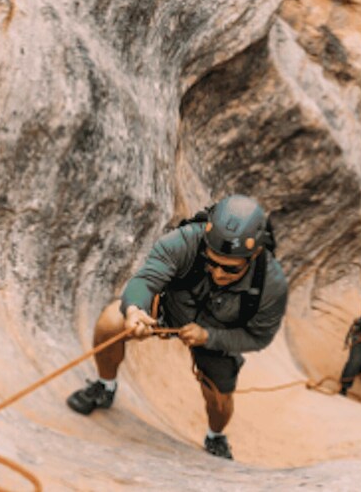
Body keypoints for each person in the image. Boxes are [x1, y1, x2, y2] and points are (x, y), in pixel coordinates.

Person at [66, 194, 289, 461]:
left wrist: (208, 336)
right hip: (171, 309)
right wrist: (135, 310)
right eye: (212, 262)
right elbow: (147, 279)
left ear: (254, 255)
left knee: (219, 398)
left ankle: (215, 436)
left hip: (217, 335)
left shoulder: (271, 284)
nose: (218, 274)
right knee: (111, 321)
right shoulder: (186, 240)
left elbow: (258, 337)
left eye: (230, 270)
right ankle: (105, 387)